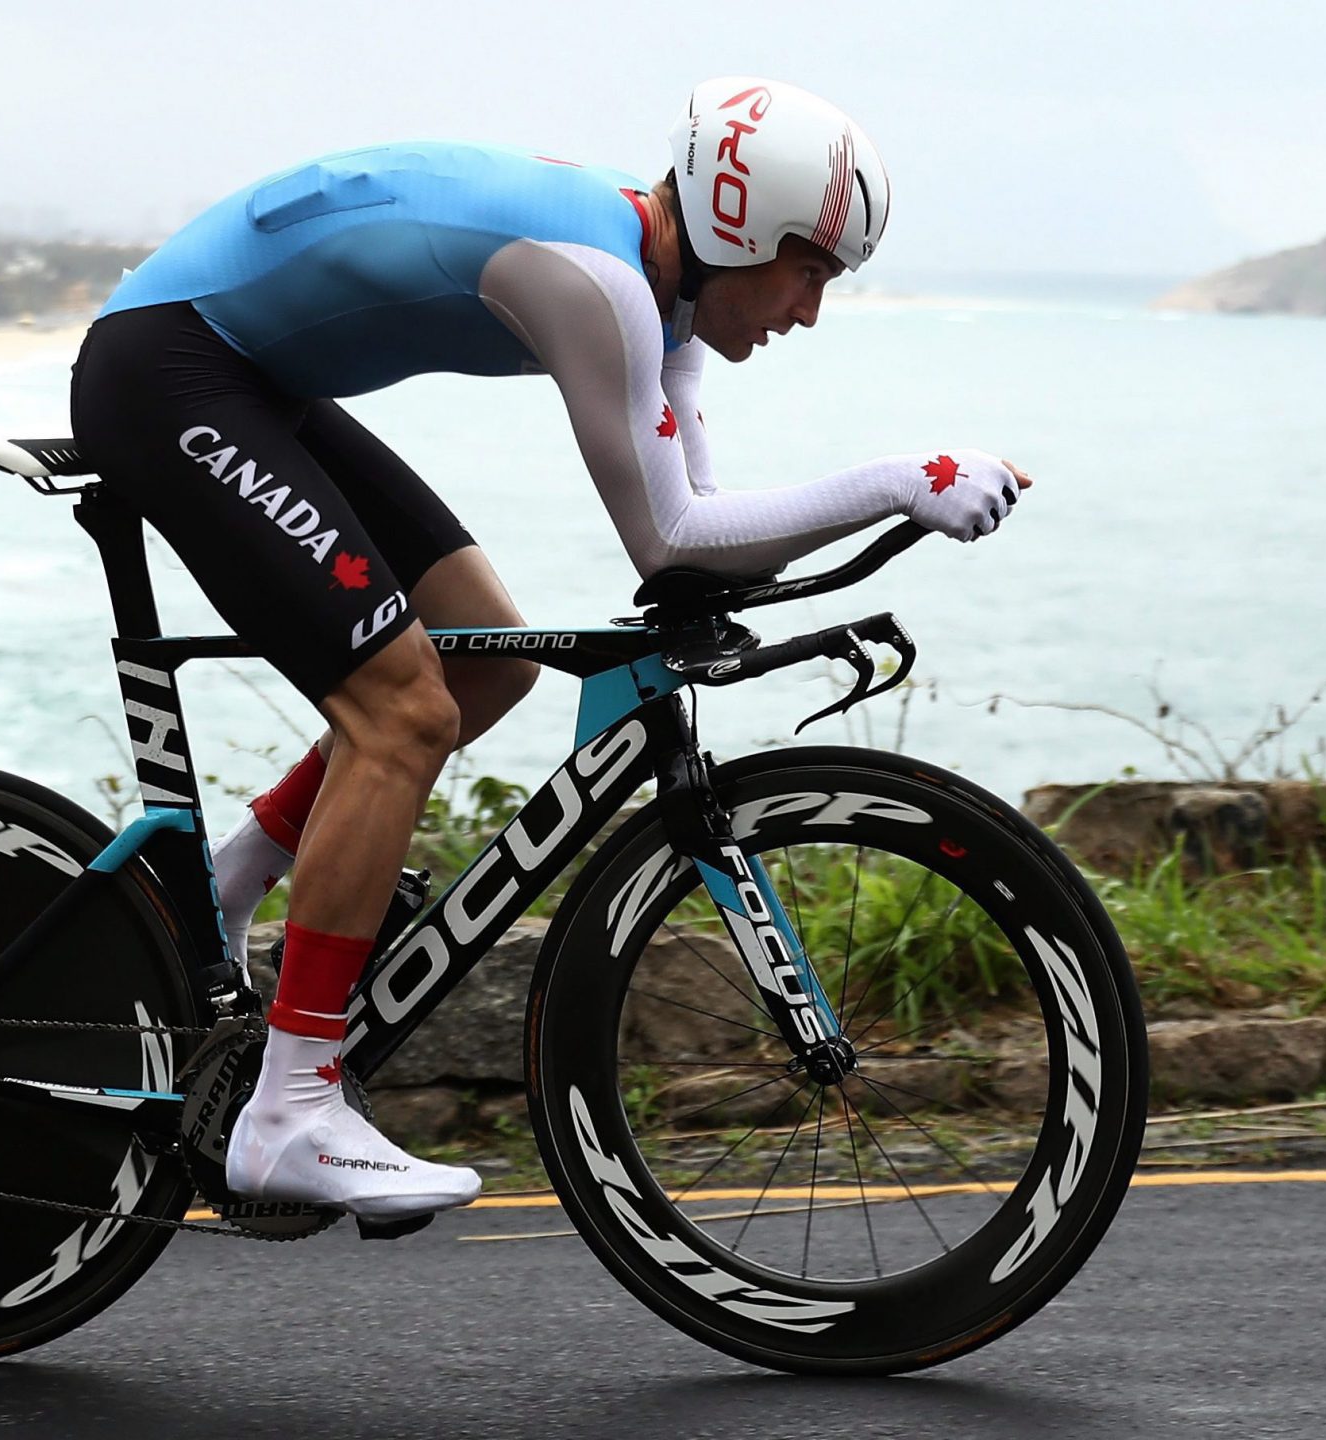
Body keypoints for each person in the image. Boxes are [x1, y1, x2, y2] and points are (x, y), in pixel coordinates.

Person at [67, 76, 1030, 1224]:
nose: (809, 309)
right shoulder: (603, 284)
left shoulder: (665, 306)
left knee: (492, 664)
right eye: (807, 268)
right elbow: (671, 535)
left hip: (244, 377)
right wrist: (898, 482)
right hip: (168, 367)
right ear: (736, 223)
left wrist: (886, 504)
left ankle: (219, 896)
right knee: (404, 714)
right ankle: (290, 1109)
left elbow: (697, 538)